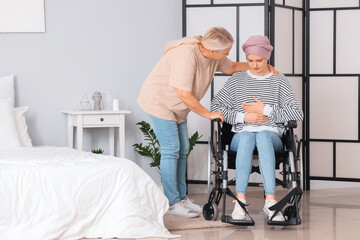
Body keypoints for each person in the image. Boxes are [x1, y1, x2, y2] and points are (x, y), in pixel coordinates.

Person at [137, 27, 280, 218]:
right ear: (213, 51)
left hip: (177, 105)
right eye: (226, 51)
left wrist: (260, 66)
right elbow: (184, 95)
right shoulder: (186, 56)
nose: (228, 54)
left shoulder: (214, 56)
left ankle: (182, 198)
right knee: (171, 149)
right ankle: (171, 203)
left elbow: (231, 68)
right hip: (159, 102)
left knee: (183, 148)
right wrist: (209, 114)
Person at [211, 35, 303, 221]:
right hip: (241, 136)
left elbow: (297, 114)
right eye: (249, 60)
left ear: (267, 57)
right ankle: (240, 203)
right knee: (246, 135)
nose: (253, 65)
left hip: (270, 137)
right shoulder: (237, 80)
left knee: (262, 134)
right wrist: (245, 117)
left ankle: (270, 203)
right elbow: (216, 108)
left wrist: (266, 110)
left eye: (258, 60)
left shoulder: (279, 81)